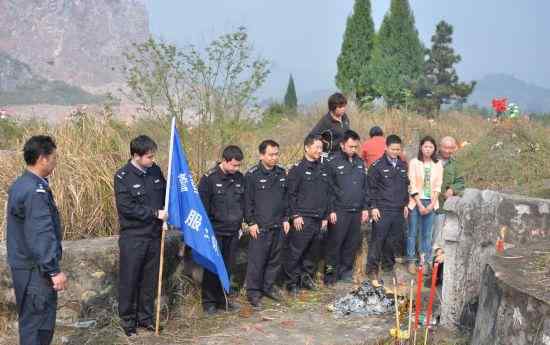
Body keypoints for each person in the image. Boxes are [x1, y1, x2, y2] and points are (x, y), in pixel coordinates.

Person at [6, 135, 66, 345]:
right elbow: (40, 233)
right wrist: (53, 270)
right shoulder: (34, 190)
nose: (55, 161)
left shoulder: (23, 184)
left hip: (27, 267)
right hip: (35, 271)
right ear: (42, 159)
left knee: (33, 324)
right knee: (38, 326)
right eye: (53, 157)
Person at [114, 135, 167, 337]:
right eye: (149, 157)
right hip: (134, 237)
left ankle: (146, 318)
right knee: (130, 279)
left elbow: (163, 195)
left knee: (149, 281)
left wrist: (165, 214)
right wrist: (154, 213)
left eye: (153, 156)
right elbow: (126, 208)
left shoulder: (154, 171)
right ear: (136, 156)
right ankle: (128, 322)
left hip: (154, 235)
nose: (152, 160)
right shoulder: (123, 176)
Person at [198, 145, 245, 315]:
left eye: (239, 165)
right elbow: (202, 208)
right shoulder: (209, 179)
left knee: (227, 268)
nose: (236, 169)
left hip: (233, 232)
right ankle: (209, 302)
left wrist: (241, 224)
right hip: (215, 232)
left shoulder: (239, 178)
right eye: (233, 165)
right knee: (213, 268)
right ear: (224, 161)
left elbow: (242, 203)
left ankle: (223, 300)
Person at [244, 140, 290, 308]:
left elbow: (286, 199)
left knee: (274, 260)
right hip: (260, 227)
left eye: (276, 154)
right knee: (257, 261)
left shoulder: (281, 173)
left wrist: (286, 218)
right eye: (271, 154)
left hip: (278, 225)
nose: (274, 157)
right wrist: (251, 222)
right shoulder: (252, 175)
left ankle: (268, 287)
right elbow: (247, 201)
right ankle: (253, 292)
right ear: (262, 155)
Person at [284, 135, 330, 295]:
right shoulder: (297, 169)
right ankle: (292, 283)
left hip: (318, 218)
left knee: (312, 253)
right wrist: (295, 215)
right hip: (302, 219)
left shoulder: (323, 169)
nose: (319, 151)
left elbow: (327, 193)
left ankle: (306, 279)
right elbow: (291, 195)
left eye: (321, 148)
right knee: (296, 252)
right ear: (307, 148)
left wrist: (325, 217)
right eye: (317, 147)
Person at [325, 130, 370, 285]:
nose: (353, 149)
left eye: (356, 147)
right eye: (351, 146)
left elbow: (365, 187)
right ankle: (330, 276)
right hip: (339, 211)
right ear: (342, 145)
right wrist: (330, 210)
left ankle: (345, 273)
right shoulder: (332, 162)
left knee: (351, 244)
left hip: (356, 211)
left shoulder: (359, 162)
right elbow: (328, 189)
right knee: (334, 245)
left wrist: (365, 208)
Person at [366, 134, 410, 286]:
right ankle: (372, 270)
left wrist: (405, 204)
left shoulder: (403, 165)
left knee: (392, 241)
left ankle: (388, 269)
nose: (395, 152)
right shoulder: (377, 166)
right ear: (386, 148)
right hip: (382, 209)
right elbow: (370, 189)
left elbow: (405, 187)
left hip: (398, 210)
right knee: (378, 240)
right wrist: (373, 207)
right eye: (393, 149)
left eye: (398, 149)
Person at [406, 136, 443, 275]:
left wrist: (432, 203)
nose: (428, 149)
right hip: (416, 201)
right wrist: (420, 205)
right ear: (421, 147)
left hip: (431, 202)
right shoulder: (414, 162)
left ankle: (425, 261)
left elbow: (438, 185)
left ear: (434, 149)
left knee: (427, 233)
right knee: (412, 232)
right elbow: (412, 184)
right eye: (425, 146)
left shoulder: (437, 164)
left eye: (431, 147)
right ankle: (411, 260)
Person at [432, 136, 465, 258]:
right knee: (425, 233)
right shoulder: (431, 159)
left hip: (443, 206)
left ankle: (434, 261)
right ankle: (422, 260)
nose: (448, 150)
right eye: (445, 147)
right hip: (428, 203)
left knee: (438, 234)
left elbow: (460, 181)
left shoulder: (455, 164)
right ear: (440, 147)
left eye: (451, 148)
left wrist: (452, 189)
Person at [308, 93, 351, 157]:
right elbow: (312, 137)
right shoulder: (326, 121)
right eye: (340, 107)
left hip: (344, 155)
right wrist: (324, 149)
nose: (343, 109)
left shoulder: (345, 117)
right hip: (331, 157)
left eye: (344, 106)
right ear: (332, 107)